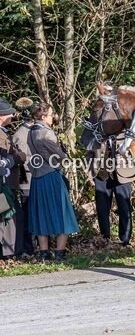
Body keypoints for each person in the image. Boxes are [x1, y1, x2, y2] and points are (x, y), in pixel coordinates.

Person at [25, 104, 78, 261]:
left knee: (42, 214)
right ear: (42, 117)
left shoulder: (31, 132)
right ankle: (59, 253)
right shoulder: (45, 133)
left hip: (37, 177)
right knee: (63, 214)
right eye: (50, 114)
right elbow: (59, 155)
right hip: (50, 175)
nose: (52, 116)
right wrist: (66, 158)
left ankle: (44, 253)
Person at [86, 132, 135, 248]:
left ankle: (125, 240)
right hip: (102, 175)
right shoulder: (98, 133)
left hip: (123, 175)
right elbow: (89, 152)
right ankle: (105, 238)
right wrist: (90, 172)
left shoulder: (127, 133)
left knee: (124, 207)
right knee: (102, 208)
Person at [11, 98, 36, 258]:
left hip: (33, 178)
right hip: (27, 180)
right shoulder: (21, 134)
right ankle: (28, 247)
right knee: (27, 215)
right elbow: (26, 160)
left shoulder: (29, 132)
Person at [0, 98, 24, 260]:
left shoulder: (4, 131)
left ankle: (12, 252)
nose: (12, 116)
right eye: (9, 114)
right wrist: (15, 158)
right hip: (4, 183)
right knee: (8, 218)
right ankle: (9, 253)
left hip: (9, 181)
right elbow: (10, 156)